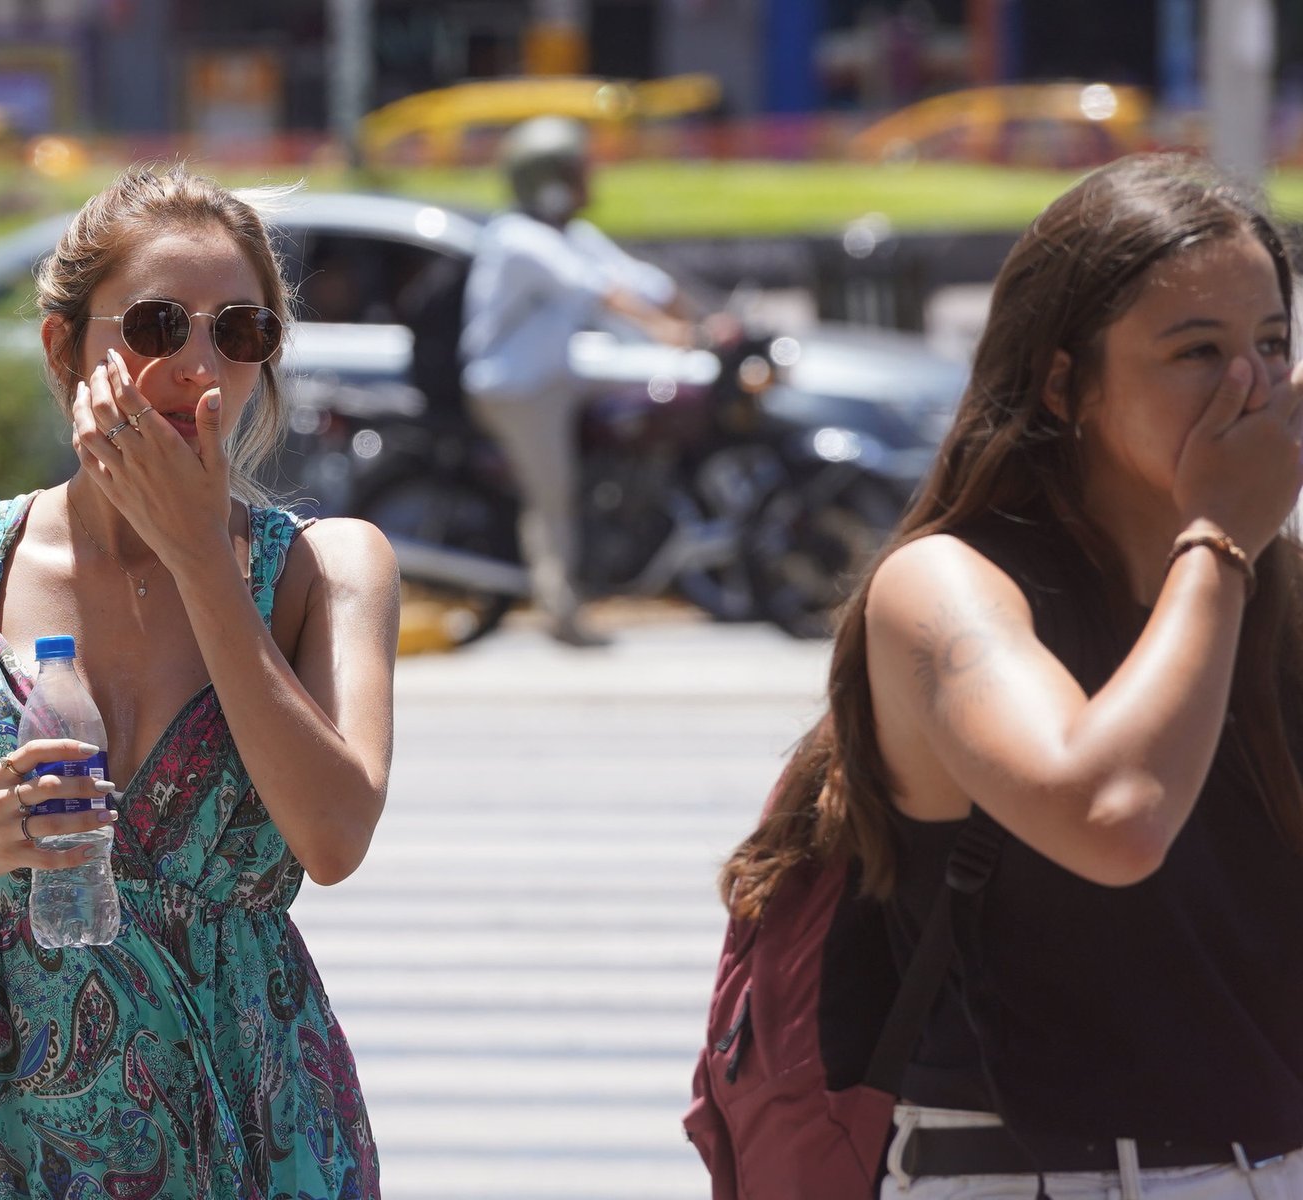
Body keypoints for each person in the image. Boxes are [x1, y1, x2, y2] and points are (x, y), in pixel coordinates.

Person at [0, 166, 397, 1198]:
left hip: (271, 1138)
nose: (197, 364)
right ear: (62, 347)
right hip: (30, 1152)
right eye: (158, 323)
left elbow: (333, 839)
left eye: (239, 331)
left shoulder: (322, 568)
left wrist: (203, 558)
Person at [719, 152, 1303, 1198]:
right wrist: (1215, 537)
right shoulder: (948, 587)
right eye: (1194, 351)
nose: (1247, 388)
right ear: (1062, 380)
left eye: (1270, 343)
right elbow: (1110, 815)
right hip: (1028, 1170)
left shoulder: (1271, 591)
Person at [459, 115, 698, 647]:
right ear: (550, 180)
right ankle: (560, 611)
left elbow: (638, 279)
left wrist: (701, 320)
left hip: (559, 379)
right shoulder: (518, 238)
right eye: (579, 171)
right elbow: (595, 289)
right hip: (518, 390)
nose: (592, 181)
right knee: (552, 496)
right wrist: (661, 328)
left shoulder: (574, 233)